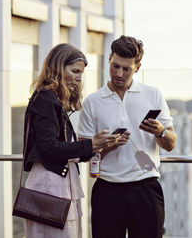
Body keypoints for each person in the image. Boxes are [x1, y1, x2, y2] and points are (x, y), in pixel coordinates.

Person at [78, 35, 177, 238]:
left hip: (146, 187)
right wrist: (107, 147)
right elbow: (84, 153)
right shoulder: (92, 102)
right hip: (107, 190)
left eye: (126, 69)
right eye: (115, 66)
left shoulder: (153, 95)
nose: (119, 73)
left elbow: (171, 144)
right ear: (109, 60)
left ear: (138, 68)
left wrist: (160, 131)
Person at [22, 43, 119, 238]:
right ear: (58, 67)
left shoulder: (50, 100)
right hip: (50, 185)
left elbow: (58, 147)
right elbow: (49, 147)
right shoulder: (45, 99)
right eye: (75, 71)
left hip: (57, 183)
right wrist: (91, 144)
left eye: (81, 73)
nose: (79, 78)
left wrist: (97, 145)